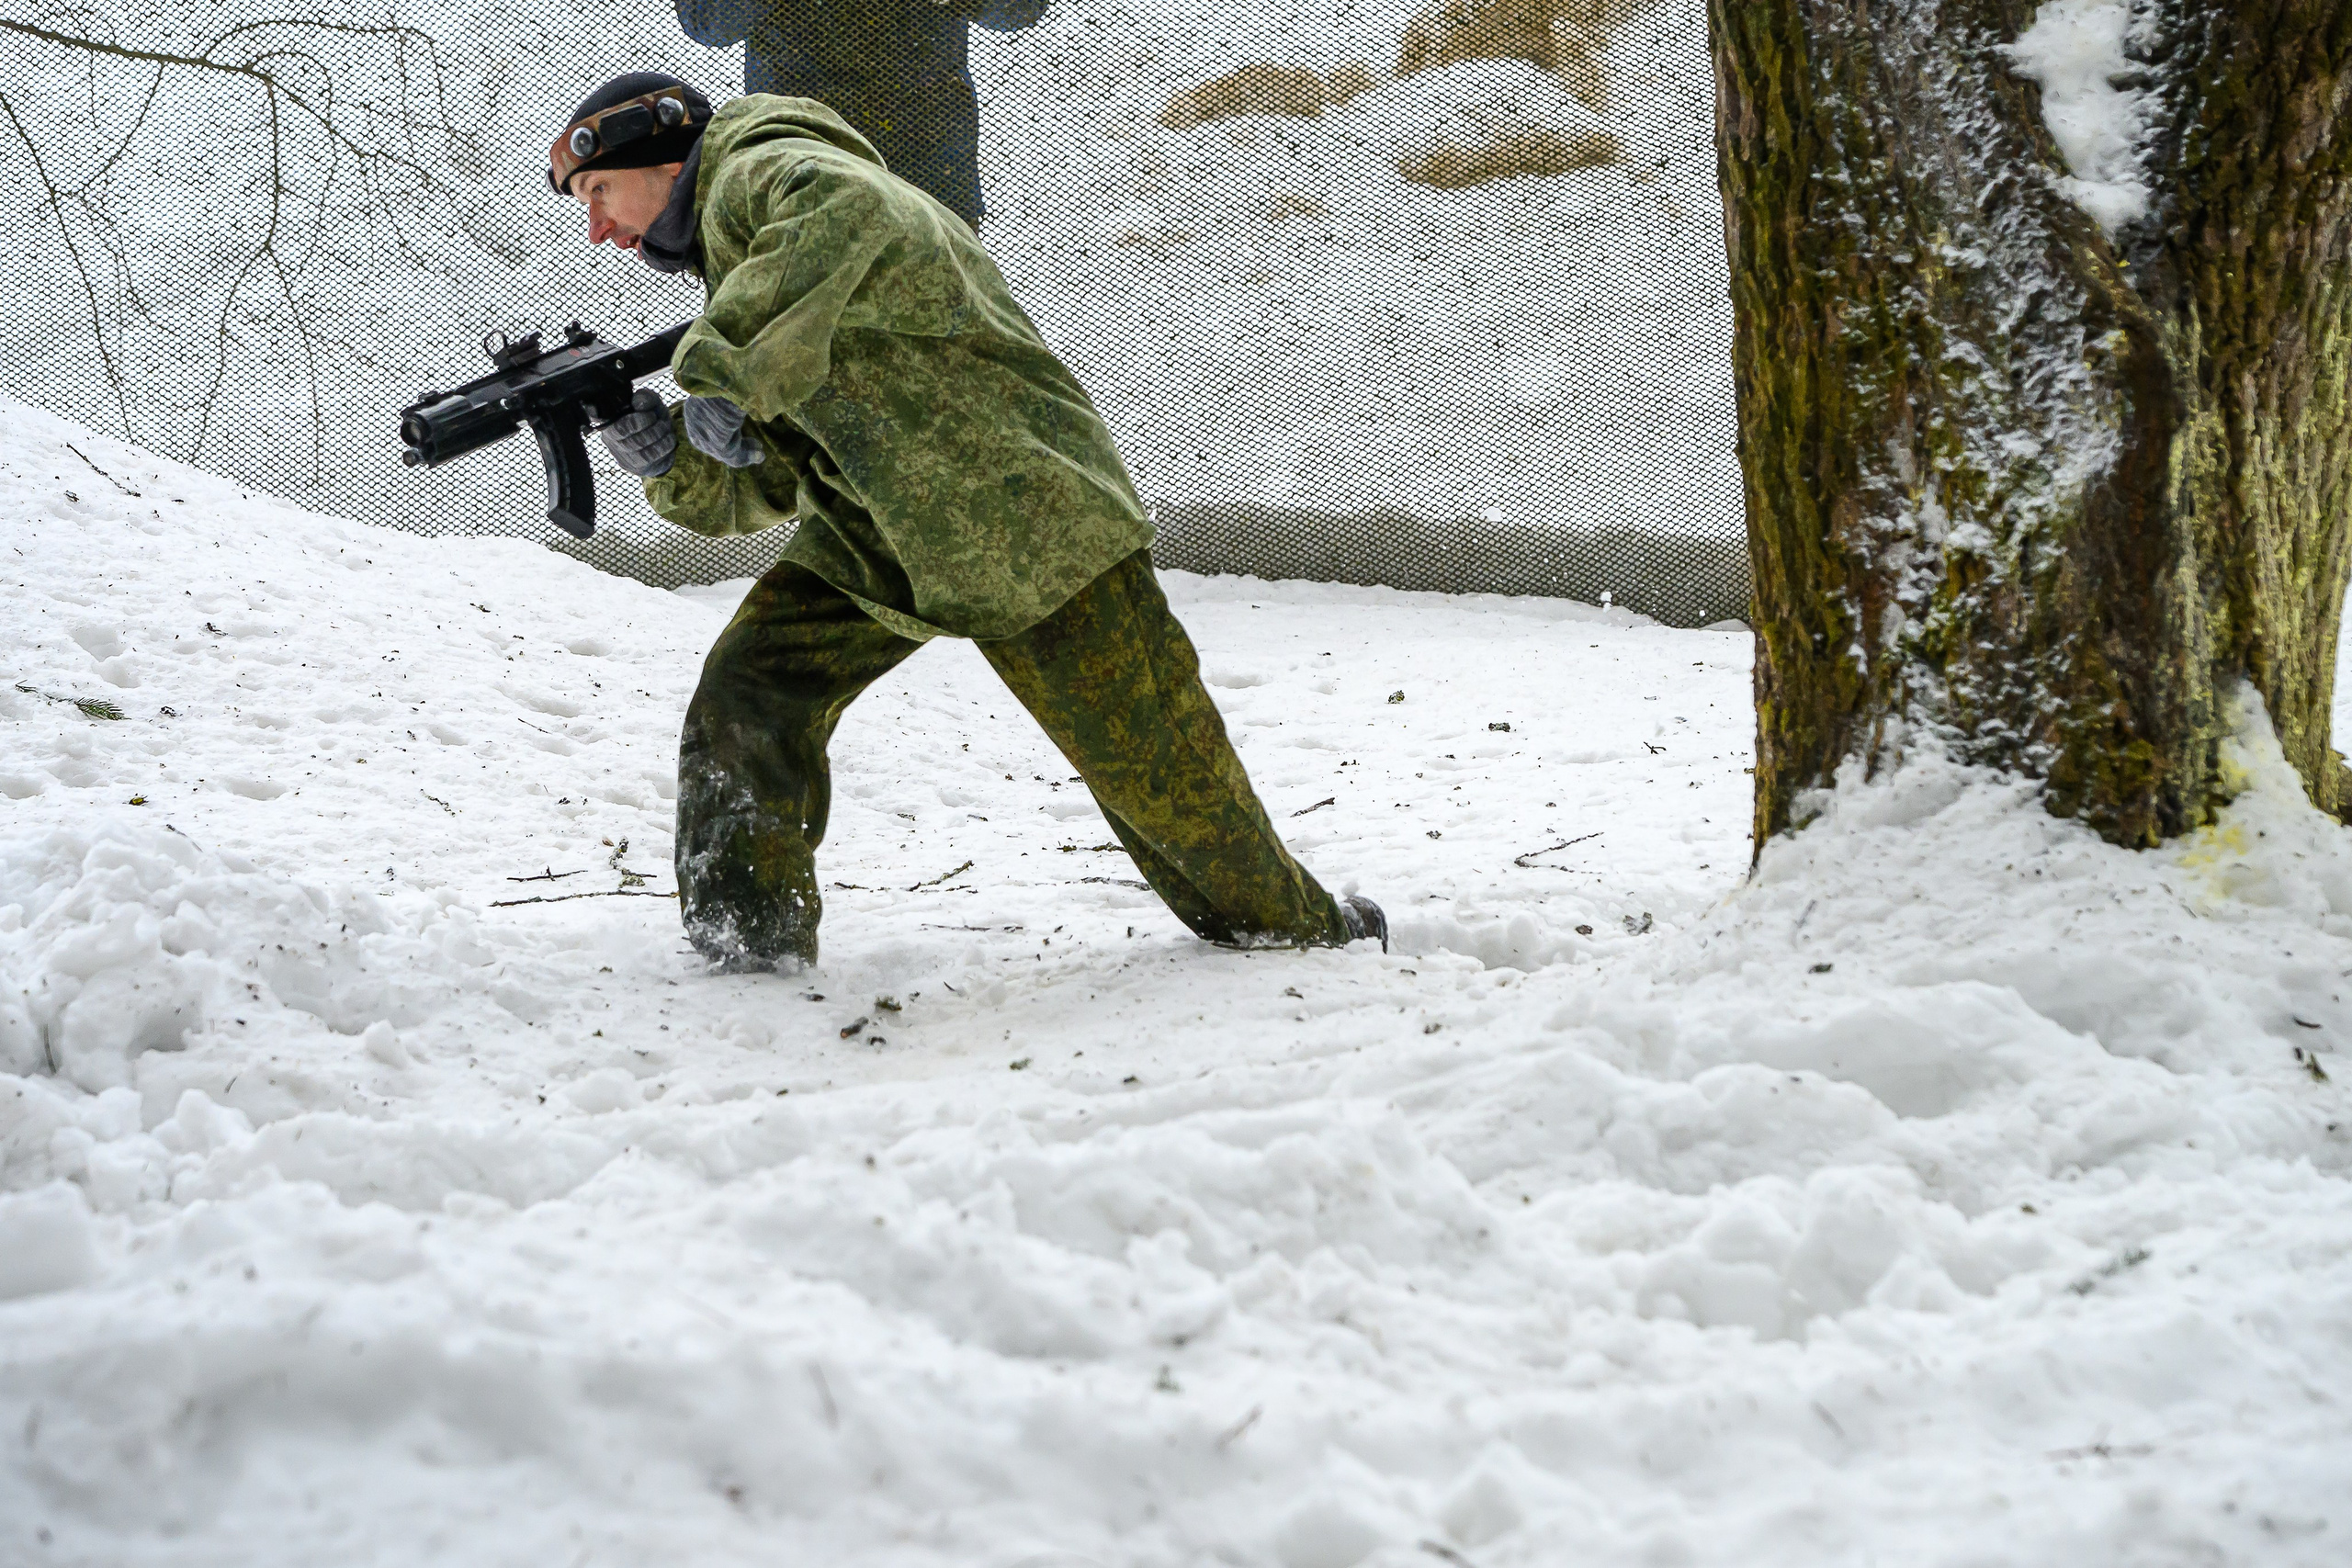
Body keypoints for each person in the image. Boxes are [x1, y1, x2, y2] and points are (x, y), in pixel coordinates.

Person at [546, 72, 1385, 971]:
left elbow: (846, 207)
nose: (598, 227)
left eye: (598, 191)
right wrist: (674, 460)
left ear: (663, 156)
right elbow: (783, 465)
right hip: (883, 530)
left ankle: (1302, 934)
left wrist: (722, 367)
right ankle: (746, 945)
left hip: (1023, 518)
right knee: (754, 692)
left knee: (1156, 772)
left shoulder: (765, 168)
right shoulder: (747, 252)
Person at [673, 0, 1046, 228]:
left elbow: (1021, 6)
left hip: (928, 171)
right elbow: (707, 21)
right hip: (804, 168)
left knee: (943, 338)